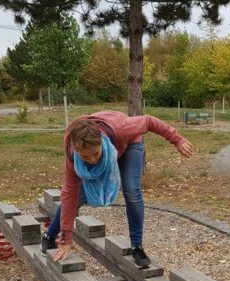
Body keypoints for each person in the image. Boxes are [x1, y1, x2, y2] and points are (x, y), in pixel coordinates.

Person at [44, 110, 193, 267]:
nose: (92, 160)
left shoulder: (123, 128)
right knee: (78, 194)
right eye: (85, 157)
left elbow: (149, 121)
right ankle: (49, 236)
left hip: (129, 143)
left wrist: (177, 140)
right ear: (76, 149)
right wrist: (66, 238)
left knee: (132, 190)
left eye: (95, 154)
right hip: (107, 143)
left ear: (101, 142)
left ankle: (137, 246)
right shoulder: (72, 154)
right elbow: (69, 193)